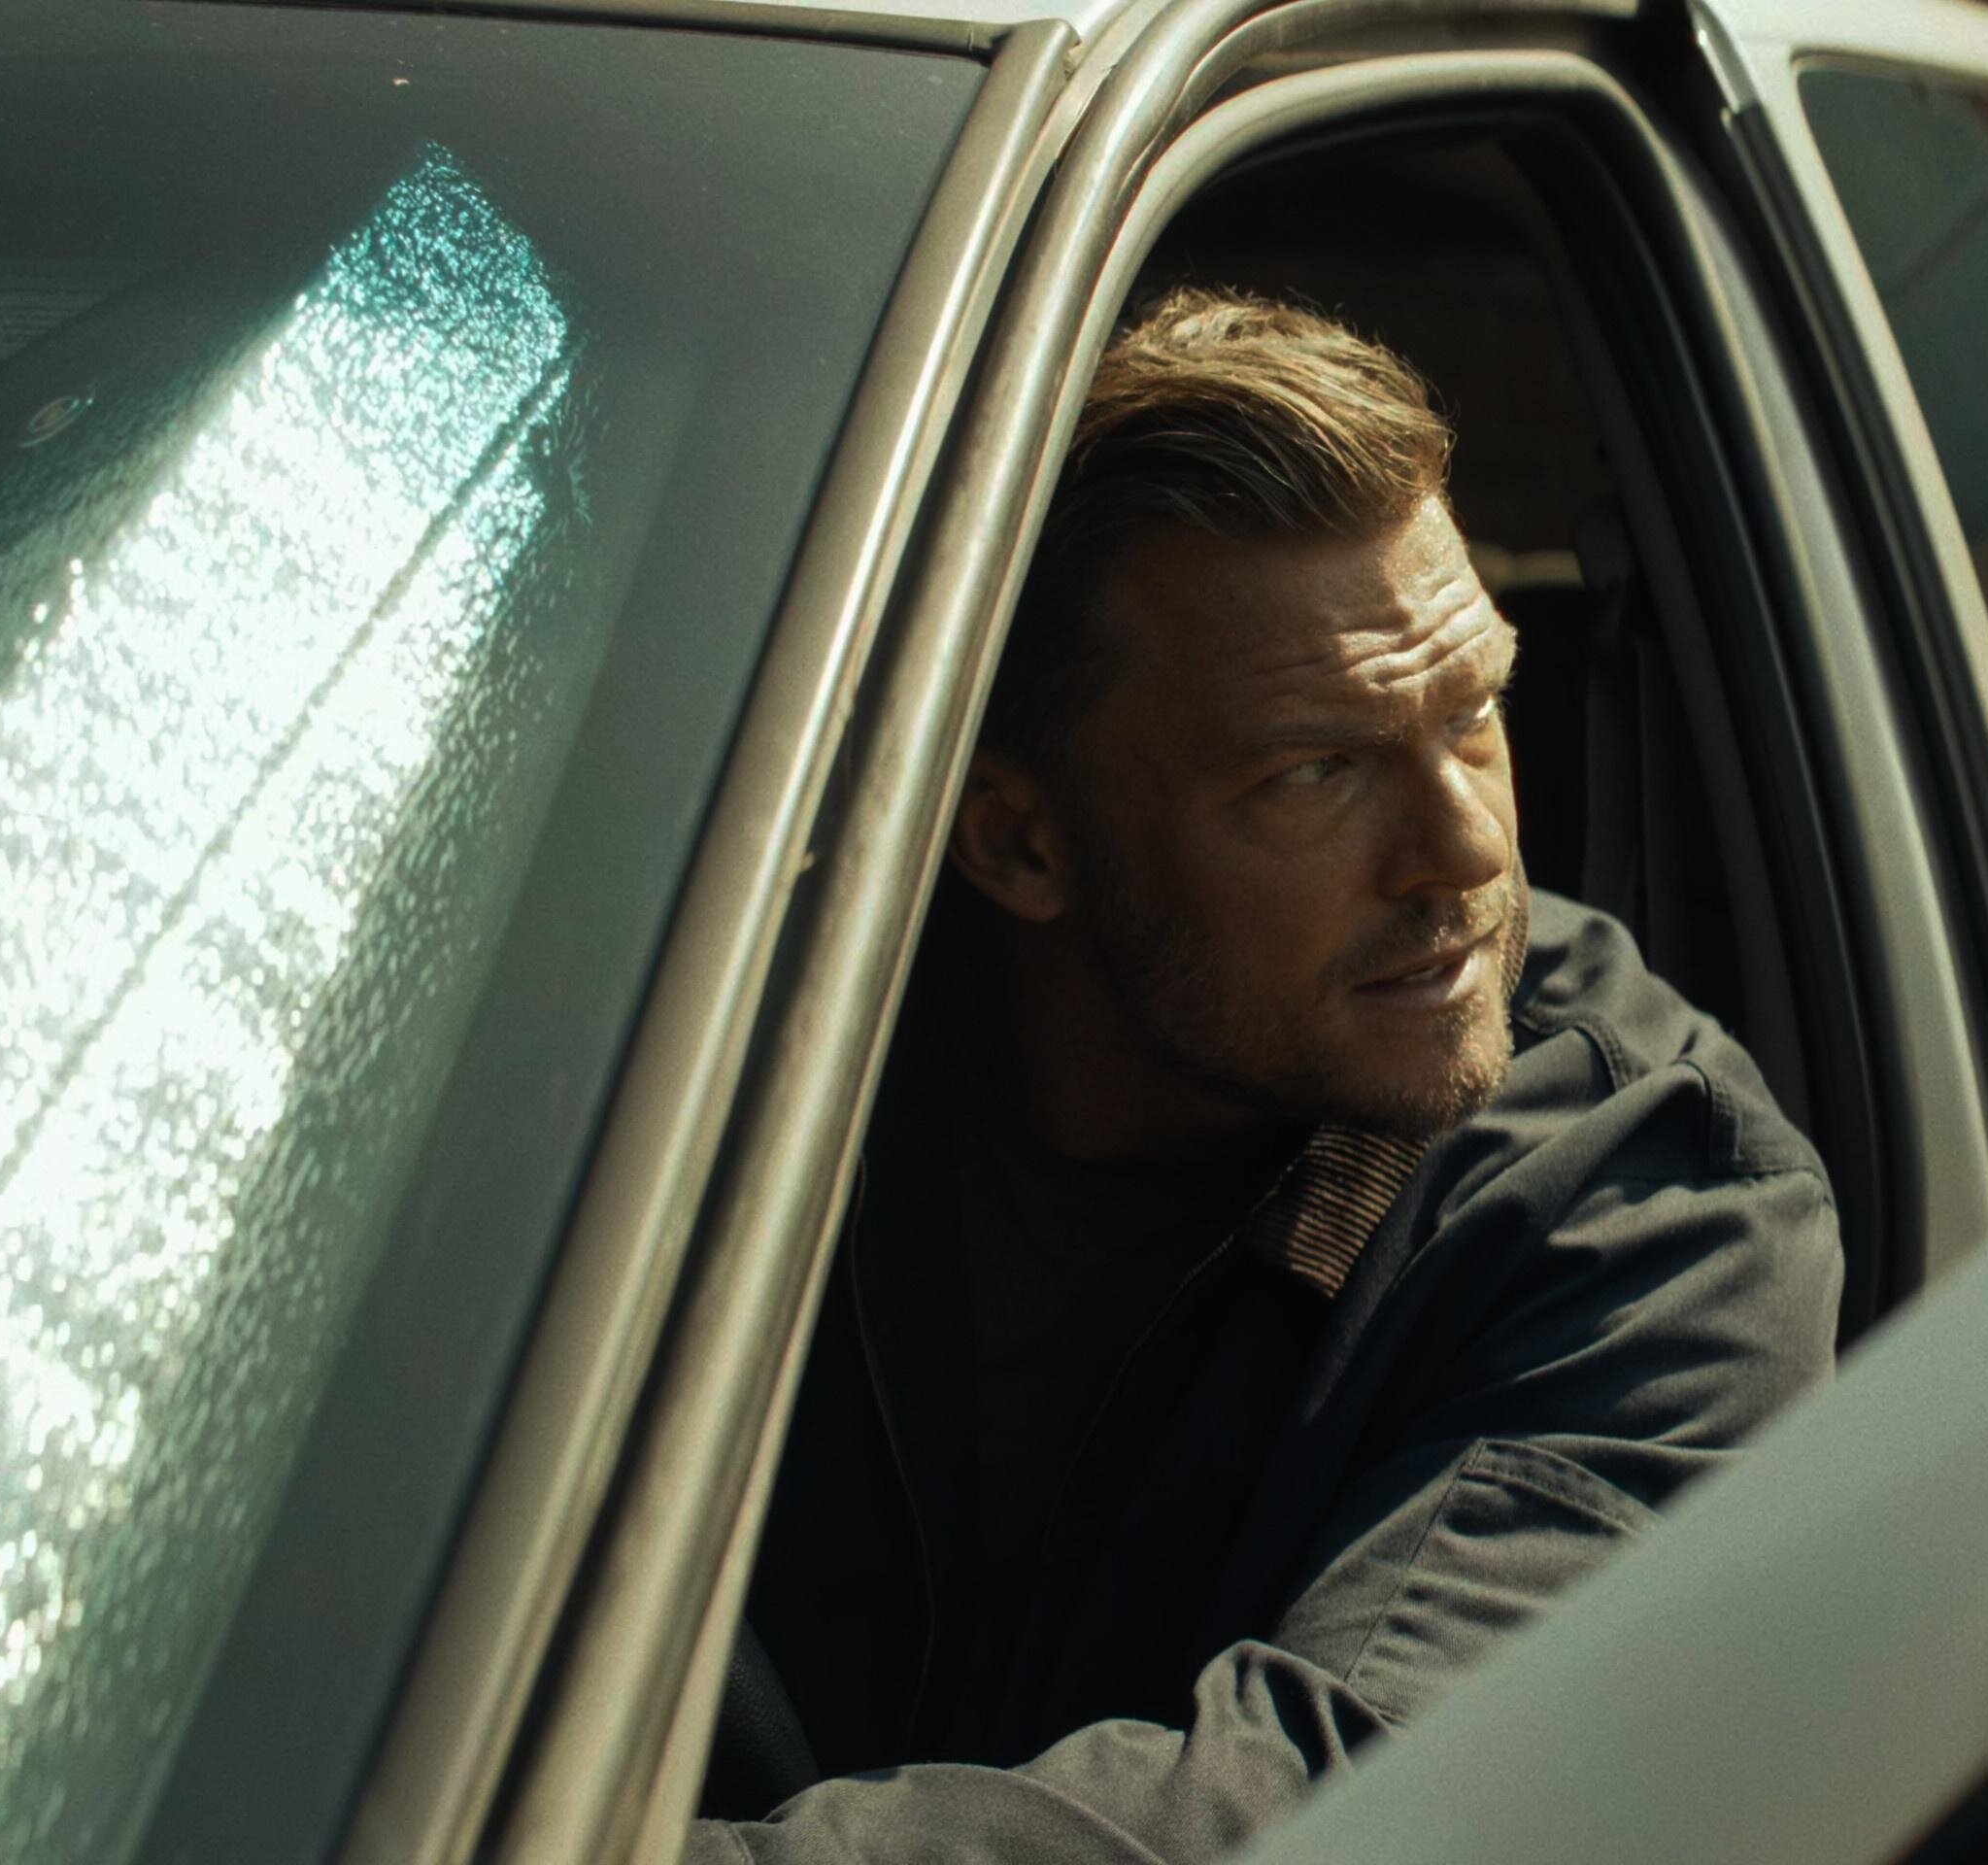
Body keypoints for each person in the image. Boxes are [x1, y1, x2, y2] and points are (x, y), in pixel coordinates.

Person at [690, 288, 1840, 1864]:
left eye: (1476, 715)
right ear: (1016, 841)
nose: (1469, 850)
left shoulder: (1648, 1197)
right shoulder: (724, 1066)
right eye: (1318, 771)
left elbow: (1355, 1807)